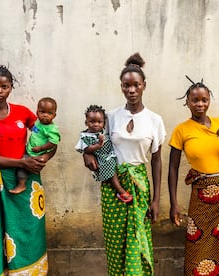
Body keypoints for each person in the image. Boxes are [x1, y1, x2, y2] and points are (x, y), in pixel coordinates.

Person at [0, 64, 55, 275]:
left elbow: (48, 138)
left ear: (10, 88)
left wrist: (43, 157)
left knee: (28, 232)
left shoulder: (23, 113)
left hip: (28, 185)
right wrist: (21, 163)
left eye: (4, 86)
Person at [83, 53, 166, 275]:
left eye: (136, 85)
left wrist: (156, 199)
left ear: (144, 86)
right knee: (115, 243)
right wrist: (87, 156)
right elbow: (91, 139)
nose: (131, 90)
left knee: (139, 243)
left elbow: (157, 161)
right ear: (121, 87)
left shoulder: (154, 120)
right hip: (113, 185)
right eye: (126, 85)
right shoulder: (110, 117)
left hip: (139, 186)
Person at [168, 77, 219, 275]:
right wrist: (174, 204)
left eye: (204, 100)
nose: (200, 104)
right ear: (187, 102)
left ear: (209, 100)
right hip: (201, 197)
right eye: (195, 100)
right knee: (199, 249)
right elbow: (172, 168)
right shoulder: (181, 130)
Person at [75, 104, 132, 203]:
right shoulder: (86, 136)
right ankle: (120, 191)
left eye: (99, 122)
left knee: (113, 169)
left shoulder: (104, 131)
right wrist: (98, 145)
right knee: (110, 170)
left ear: (104, 123)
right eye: (92, 122)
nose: (96, 124)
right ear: (86, 122)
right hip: (101, 159)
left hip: (110, 155)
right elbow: (86, 149)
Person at [12, 97, 61, 194]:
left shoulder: (52, 129)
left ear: (54, 115)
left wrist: (41, 148)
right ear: (37, 112)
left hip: (37, 154)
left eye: (49, 113)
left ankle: (21, 185)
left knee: (22, 169)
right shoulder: (37, 122)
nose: (45, 115)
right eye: (42, 112)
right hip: (30, 150)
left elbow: (53, 142)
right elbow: (35, 131)